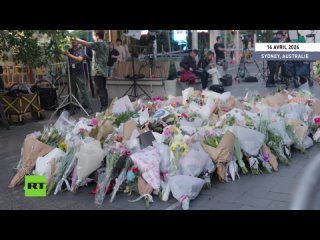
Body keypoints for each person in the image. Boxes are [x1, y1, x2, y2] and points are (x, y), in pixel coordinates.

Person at [77, 30, 109, 111]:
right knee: (103, 89)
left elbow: (87, 44)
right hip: (104, 71)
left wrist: (76, 39)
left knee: (100, 90)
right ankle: (106, 106)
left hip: (98, 71)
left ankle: (103, 108)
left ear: (97, 36)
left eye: (94, 35)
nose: (93, 37)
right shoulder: (105, 44)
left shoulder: (99, 43)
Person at [65, 39, 93, 114]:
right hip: (70, 72)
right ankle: (73, 108)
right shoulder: (69, 49)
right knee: (72, 91)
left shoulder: (81, 50)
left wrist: (68, 54)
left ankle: (90, 108)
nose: (73, 41)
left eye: (74, 40)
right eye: (72, 40)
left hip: (78, 72)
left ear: (78, 42)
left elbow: (79, 59)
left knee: (83, 90)